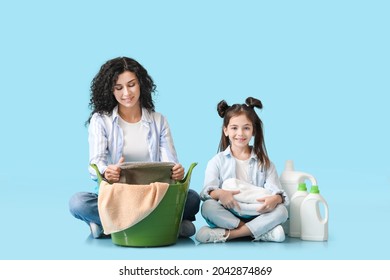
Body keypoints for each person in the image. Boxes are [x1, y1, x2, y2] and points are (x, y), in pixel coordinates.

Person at [69, 57, 200, 238]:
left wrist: (176, 171)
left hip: (154, 194)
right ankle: (167, 226)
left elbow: (170, 163)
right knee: (78, 202)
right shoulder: (100, 120)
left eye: (131, 85)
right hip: (119, 196)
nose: (126, 93)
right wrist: (107, 171)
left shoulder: (158, 120)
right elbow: (96, 164)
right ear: (111, 90)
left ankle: (113, 227)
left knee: (193, 198)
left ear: (141, 85)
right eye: (118, 87)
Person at [195, 97, 289, 243]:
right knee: (208, 207)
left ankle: (230, 235)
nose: (240, 133)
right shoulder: (217, 161)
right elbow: (206, 192)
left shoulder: (265, 162)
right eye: (234, 128)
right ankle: (259, 232)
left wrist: (275, 199)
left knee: (282, 211)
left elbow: (277, 192)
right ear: (225, 130)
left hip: (257, 213)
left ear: (253, 131)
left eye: (246, 128)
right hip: (229, 213)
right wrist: (220, 193)